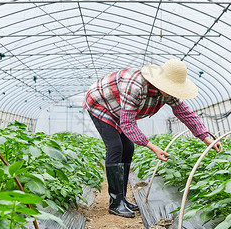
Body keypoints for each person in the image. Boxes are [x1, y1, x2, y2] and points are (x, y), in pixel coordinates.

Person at [82, 59, 223, 218]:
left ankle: (122, 197)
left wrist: (205, 137)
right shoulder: (136, 87)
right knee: (115, 146)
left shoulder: (169, 92)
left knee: (128, 148)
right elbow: (127, 123)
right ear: (161, 83)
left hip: (119, 109)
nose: (173, 91)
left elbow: (185, 113)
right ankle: (116, 202)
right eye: (171, 87)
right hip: (101, 104)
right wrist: (152, 147)